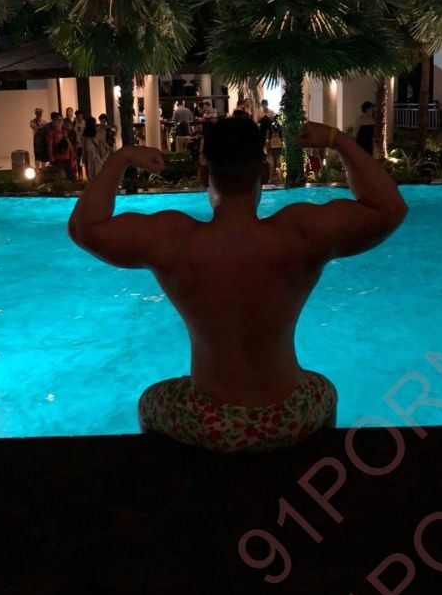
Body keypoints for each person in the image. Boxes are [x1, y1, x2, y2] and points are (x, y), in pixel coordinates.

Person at [67, 116, 407, 453]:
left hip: (208, 420)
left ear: (204, 175)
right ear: (265, 173)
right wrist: (337, 140)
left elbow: (84, 228)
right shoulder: (301, 234)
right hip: (288, 415)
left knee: (149, 402)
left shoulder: (173, 241)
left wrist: (122, 157)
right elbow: (389, 209)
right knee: (325, 391)